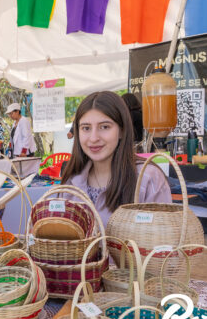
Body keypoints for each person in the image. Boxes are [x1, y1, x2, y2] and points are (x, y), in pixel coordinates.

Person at [61, 91, 171, 227]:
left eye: (104, 127)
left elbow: (163, 241)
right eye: (86, 128)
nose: (94, 138)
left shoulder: (148, 178)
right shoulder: (71, 182)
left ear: (122, 130)